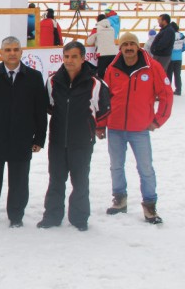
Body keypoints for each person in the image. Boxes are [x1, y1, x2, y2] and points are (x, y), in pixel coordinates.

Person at [0, 36, 48, 227]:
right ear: (1, 53)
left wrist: (39, 137)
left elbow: (40, 111)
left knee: (19, 180)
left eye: (15, 49)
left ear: (21, 52)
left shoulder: (34, 77)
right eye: (8, 50)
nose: (12, 53)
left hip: (22, 138)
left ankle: (16, 215)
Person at [37, 42, 111, 231]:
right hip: (58, 141)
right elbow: (50, 106)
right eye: (67, 56)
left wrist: (94, 127)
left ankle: (79, 218)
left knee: (80, 180)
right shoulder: (53, 81)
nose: (69, 60)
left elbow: (103, 110)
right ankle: (52, 216)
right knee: (55, 179)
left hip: (82, 142)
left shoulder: (95, 84)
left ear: (83, 58)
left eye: (74, 57)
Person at [104, 32, 173, 225]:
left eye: (131, 44)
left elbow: (166, 94)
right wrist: (101, 124)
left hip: (140, 129)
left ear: (138, 46)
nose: (128, 48)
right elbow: (103, 98)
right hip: (115, 127)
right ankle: (119, 200)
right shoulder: (112, 69)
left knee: (145, 168)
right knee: (116, 166)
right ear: (120, 48)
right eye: (125, 44)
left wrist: (158, 120)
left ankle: (149, 205)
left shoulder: (152, 68)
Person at [86, 14, 118, 78]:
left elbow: (89, 42)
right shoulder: (112, 28)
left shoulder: (96, 28)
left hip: (102, 54)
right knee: (112, 73)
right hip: (114, 53)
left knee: (101, 74)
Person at [168, 22, 185, 96]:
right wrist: (179, 51)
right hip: (179, 58)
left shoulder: (170, 35)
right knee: (177, 74)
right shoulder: (182, 35)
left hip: (170, 58)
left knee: (169, 75)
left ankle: (168, 89)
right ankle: (178, 89)